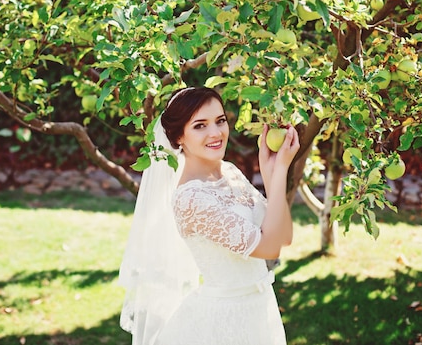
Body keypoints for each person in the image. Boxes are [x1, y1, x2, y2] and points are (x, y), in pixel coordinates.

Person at [119, 87, 300, 345]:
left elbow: (284, 236)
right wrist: (281, 168)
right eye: (200, 126)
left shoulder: (230, 172)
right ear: (179, 137)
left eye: (220, 121)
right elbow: (270, 248)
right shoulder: (191, 199)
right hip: (223, 322)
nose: (215, 133)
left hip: (259, 309)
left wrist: (270, 170)